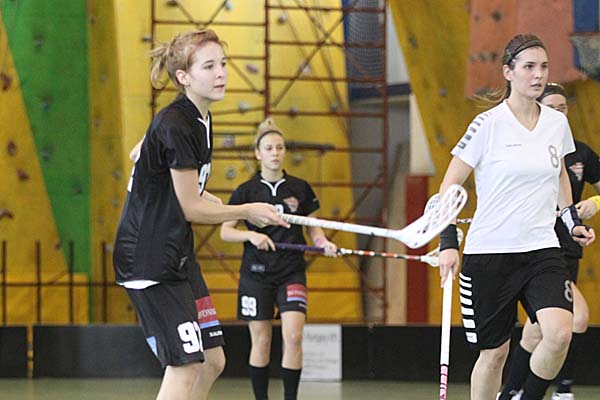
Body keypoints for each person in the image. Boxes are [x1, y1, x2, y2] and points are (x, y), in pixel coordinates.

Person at [113, 30, 289, 400]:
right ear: (184, 77)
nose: (221, 72)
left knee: (212, 360)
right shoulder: (176, 124)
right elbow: (190, 207)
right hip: (149, 259)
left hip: (177, 255)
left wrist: (214, 198)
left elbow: (157, 168)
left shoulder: (199, 120)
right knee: (185, 365)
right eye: (208, 66)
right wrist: (246, 211)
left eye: (222, 63)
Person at [437, 33, 595, 400]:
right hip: (490, 254)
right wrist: (447, 242)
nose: (538, 74)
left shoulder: (556, 124)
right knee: (494, 355)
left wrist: (571, 221)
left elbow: (559, 174)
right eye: (528, 67)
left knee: (560, 333)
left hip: (542, 249)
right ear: (508, 72)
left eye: (544, 67)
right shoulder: (486, 124)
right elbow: (449, 184)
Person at [220, 118, 337, 400]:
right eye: (269, 148)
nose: (275, 153)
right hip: (255, 275)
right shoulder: (246, 192)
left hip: (291, 272)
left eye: (280, 147)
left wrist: (322, 243)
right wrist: (251, 236)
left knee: (294, 337)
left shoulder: (300, 188)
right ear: (258, 153)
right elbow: (226, 231)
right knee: (261, 340)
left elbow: (314, 227)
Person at [499, 83, 600, 400]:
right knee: (574, 319)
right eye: (551, 107)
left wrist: (595, 202)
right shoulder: (526, 151)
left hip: (569, 253)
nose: (559, 113)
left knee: (537, 333)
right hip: (540, 252)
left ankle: (510, 392)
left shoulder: (580, 153)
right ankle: (559, 390)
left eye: (563, 107)